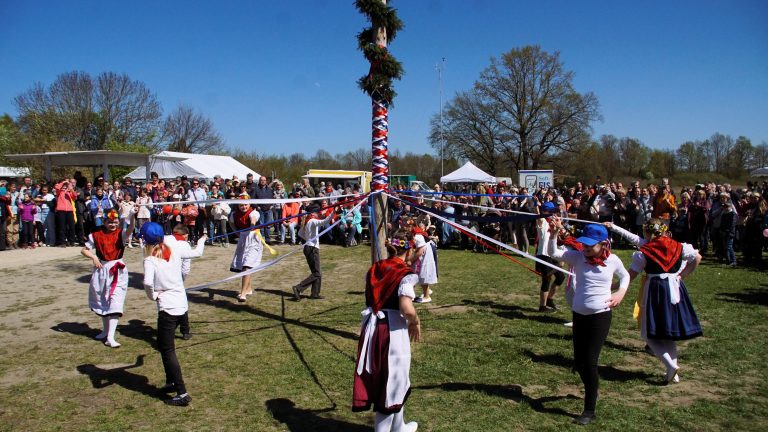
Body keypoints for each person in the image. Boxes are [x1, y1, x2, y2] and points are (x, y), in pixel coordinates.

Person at [546, 218, 630, 426]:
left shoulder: (613, 261)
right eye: (584, 244)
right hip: (579, 315)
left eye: (591, 245)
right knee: (579, 361)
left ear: (604, 244)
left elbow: (625, 276)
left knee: (590, 361)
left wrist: (620, 292)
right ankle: (593, 390)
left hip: (600, 316)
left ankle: (589, 410)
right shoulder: (578, 257)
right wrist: (554, 234)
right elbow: (553, 253)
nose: (586, 248)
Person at [352, 230, 421, 432]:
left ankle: (399, 427)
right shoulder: (405, 274)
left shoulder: (376, 267)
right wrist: (415, 321)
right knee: (391, 383)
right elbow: (406, 307)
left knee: (394, 379)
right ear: (409, 250)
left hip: (371, 330)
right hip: (391, 331)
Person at [627, 219, 702, 384]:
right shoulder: (678, 245)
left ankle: (670, 365)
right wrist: (682, 275)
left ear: (647, 232)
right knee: (668, 334)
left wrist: (615, 286)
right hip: (675, 288)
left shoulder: (644, 251)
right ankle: (672, 371)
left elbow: (631, 275)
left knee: (648, 333)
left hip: (655, 289)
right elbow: (697, 257)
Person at [140, 222, 194, 406]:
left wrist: (152, 295)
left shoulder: (150, 260)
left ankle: (182, 393)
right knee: (165, 347)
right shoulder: (173, 248)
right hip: (181, 305)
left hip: (168, 309)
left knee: (168, 349)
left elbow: (148, 283)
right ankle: (171, 382)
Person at [80, 210, 128, 348]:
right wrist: (94, 257)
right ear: (104, 222)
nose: (112, 224)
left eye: (115, 222)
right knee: (103, 299)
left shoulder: (121, 234)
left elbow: (129, 229)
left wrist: (131, 215)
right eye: (109, 222)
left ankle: (110, 337)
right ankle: (105, 331)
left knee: (115, 301)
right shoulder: (96, 235)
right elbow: (84, 250)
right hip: (102, 269)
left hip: (117, 270)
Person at [163, 224, 206, 339]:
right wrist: (201, 241)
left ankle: (176, 329)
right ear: (185, 235)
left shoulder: (165, 239)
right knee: (182, 304)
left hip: (163, 276)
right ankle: (184, 330)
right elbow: (187, 265)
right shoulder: (184, 244)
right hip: (176, 278)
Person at [292, 204, 336, 301]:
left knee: (317, 272)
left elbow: (300, 233)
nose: (319, 214)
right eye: (317, 212)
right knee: (317, 273)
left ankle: (315, 293)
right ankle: (298, 288)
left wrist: (308, 239)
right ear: (313, 213)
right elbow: (325, 221)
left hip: (308, 247)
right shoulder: (312, 220)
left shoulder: (307, 221)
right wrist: (334, 212)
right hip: (312, 249)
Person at [229, 195, 264, 302]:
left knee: (246, 266)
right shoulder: (234, 215)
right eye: (241, 205)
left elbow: (253, 221)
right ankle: (248, 289)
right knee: (243, 265)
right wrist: (236, 232)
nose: (244, 207)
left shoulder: (254, 213)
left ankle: (243, 293)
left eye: (246, 204)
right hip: (243, 239)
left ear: (249, 204)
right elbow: (231, 223)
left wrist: (252, 225)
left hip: (254, 239)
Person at [534, 202, 564, 312]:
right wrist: (537, 207)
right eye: (551, 211)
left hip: (552, 254)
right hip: (543, 255)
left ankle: (550, 299)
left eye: (553, 211)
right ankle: (543, 306)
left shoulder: (552, 222)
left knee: (560, 277)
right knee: (546, 279)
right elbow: (538, 215)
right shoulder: (541, 222)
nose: (553, 213)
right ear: (545, 212)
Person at [411, 234, 438, 304]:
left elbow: (421, 251)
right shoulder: (415, 235)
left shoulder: (417, 236)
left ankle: (427, 296)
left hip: (422, 259)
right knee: (416, 277)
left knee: (423, 276)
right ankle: (412, 295)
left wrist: (411, 261)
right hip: (421, 258)